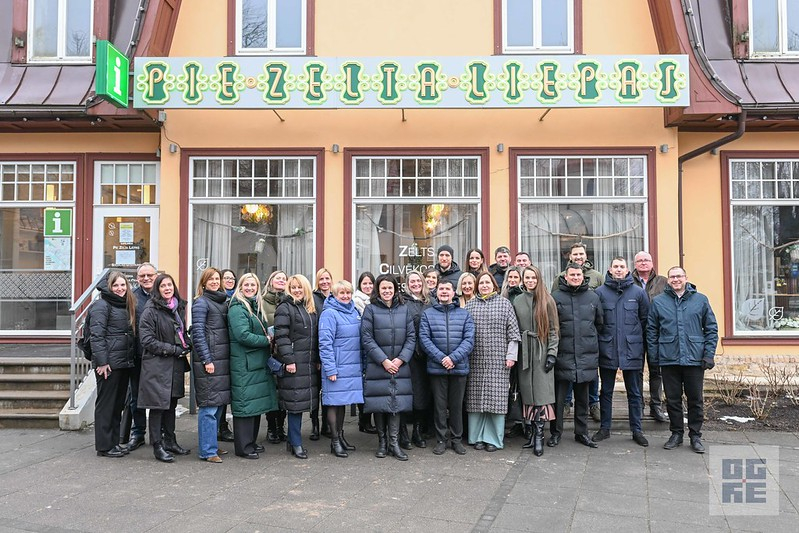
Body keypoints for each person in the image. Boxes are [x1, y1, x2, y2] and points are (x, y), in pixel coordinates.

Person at [647, 266, 718, 453]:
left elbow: (711, 329)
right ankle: (676, 433)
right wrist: (654, 357)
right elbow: (651, 331)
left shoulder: (700, 300)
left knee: (695, 399)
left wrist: (709, 354)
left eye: (679, 276)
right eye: (672, 277)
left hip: (694, 359)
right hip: (669, 358)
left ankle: (695, 436)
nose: (676, 279)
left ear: (686, 278)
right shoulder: (659, 302)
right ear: (668, 280)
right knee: (672, 399)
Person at [593, 258, 650, 447]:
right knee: (606, 391)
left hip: (632, 349)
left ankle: (637, 429)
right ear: (610, 269)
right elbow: (596, 322)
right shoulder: (600, 293)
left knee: (634, 392)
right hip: (607, 348)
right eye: (615, 267)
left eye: (622, 267)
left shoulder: (639, 293)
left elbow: (645, 322)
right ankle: (605, 428)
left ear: (627, 270)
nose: (618, 270)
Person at [137, 273, 192, 463]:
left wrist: (187, 343)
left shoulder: (177, 307)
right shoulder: (150, 310)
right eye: (163, 286)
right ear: (157, 290)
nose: (167, 288)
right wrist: (174, 349)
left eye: (169, 285)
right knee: (157, 407)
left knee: (171, 405)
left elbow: (180, 333)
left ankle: (170, 440)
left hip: (174, 364)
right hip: (157, 365)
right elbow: (147, 340)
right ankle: (157, 445)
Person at [361, 274, 416, 460]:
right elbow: (367, 338)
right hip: (379, 365)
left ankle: (394, 443)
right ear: (378, 289)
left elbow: (411, 337)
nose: (387, 291)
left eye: (390, 288)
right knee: (379, 403)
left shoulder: (404, 309)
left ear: (395, 289)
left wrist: (400, 359)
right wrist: (383, 360)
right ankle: (382, 443)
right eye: (383, 288)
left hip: (399, 365)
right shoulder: (370, 310)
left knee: (396, 404)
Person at [464, 272, 521, 451]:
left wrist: (511, 356)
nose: (484, 285)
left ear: (494, 285)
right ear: (477, 286)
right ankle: (477, 437)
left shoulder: (505, 304)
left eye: (487, 282)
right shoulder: (470, 306)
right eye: (481, 283)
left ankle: (494, 439)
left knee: (496, 400)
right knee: (476, 401)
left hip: (499, 361)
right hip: (476, 360)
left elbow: (513, 332)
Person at [549, 264, 603, 449]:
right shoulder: (555, 297)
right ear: (565, 276)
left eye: (578, 274)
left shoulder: (593, 297)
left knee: (583, 399)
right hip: (562, 355)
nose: (575, 277)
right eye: (572, 274)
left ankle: (582, 433)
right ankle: (556, 433)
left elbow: (599, 324)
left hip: (586, 355)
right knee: (559, 399)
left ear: (583, 276)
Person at [419, 278, 475, 455]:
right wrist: (442, 358)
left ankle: (457, 439)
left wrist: (453, 358)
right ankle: (441, 439)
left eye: (447, 289)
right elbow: (424, 339)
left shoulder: (464, 314)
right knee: (439, 406)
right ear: (436, 292)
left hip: (459, 367)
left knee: (457, 405)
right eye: (441, 289)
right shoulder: (428, 315)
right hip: (437, 367)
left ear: (453, 293)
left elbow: (469, 340)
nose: (444, 291)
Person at [227, 273, 279, 459]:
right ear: (240, 287)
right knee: (244, 408)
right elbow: (242, 335)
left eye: (253, 285)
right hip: (244, 364)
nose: (250, 288)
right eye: (246, 285)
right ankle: (243, 447)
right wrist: (266, 340)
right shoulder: (237, 307)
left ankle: (251, 442)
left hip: (255, 364)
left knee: (255, 406)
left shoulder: (254, 306)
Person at [512, 266, 558, 457]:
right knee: (527, 394)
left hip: (540, 349)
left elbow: (554, 330)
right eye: (527, 277)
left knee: (540, 393)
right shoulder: (518, 300)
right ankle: (530, 431)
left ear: (538, 279)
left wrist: (552, 354)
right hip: (525, 351)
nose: (530, 281)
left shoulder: (547, 299)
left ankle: (539, 434)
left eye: (533, 277)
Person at [273, 274, 320, 460]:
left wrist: (316, 359)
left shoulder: (310, 308)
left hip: (308, 363)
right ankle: (296, 442)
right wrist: (289, 360)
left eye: (300, 287)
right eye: (293, 287)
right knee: (295, 405)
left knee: (300, 403)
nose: (297, 290)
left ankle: (293, 441)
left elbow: (314, 338)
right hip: (294, 364)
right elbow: (281, 336)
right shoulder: (285, 307)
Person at [90, 271, 136, 458]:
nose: (120, 289)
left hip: (122, 363)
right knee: (106, 405)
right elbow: (96, 335)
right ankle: (104, 446)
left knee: (117, 405)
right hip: (108, 365)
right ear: (109, 287)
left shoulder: (125, 304)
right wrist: (102, 362)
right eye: (116, 285)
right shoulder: (101, 305)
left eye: (123, 285)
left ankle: (114, 443)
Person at [318, 280, 364, 458]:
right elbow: (325, 343)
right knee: (333, 403)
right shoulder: (329, 313)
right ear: (334, 295)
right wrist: (330, 369)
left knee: (343, 402)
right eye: (341, 293)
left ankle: (341, 436)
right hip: (336, 366)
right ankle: (334, 440)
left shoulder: (354, 311)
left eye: (348, 293)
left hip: (351, 365)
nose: (345, 296)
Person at [191, 267, 232, 463]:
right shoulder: (201, 303)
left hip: (221, 361)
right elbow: (197, 334)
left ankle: (212, 445)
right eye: (211, 279)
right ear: (204, 282)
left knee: (218, 407)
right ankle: (207, 451)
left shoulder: (222, 301)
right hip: (210, 362)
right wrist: (207, 359)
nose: (215, 282)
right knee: (208, 407)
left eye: (218, 278)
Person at [120, 262, 157, 451]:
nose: (146, 278)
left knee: (160, 396)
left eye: (149, 275)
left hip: (159, 356)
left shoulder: (165, 293)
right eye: (142, 276)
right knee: (136, 396)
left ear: (156, 275)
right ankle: (138, 433)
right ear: (137, 278)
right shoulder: (131, 297)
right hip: (137, 354)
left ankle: (160, 435)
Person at [632, 251, 669, 422]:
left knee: (656, 371)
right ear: (635, 264)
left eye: (646, 260)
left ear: (652, 263)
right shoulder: (628, 281)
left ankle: (656, 406)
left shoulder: (663, 282)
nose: (643, 263)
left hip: (657, 333)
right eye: (640, 260)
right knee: (636, 371)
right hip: (635, 333)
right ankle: (638, 405)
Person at [403, 271, 432, 447]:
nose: (415, 284)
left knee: (423, 394)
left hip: (427, 355)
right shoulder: (403, 302)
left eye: (418, 281)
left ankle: (418, 431)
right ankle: (404, 433)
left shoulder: (430, 302)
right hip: (408, 355)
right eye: (411, 281)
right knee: (408, 393)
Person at [262, 270, 288, 445]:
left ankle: (281, 427)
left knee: (284, 392)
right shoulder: (261, 301)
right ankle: (271, 428)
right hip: (269, 351)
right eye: (277, 278)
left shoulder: (288, 300)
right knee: (271, 392)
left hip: (284, 351)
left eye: (284, 279)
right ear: (270, 281)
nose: (281, 281)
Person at [354, 272, 378, 435]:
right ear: (360, 285)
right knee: (364, 384)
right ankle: (364, 421)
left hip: (372, 346)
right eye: (365, 283)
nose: (368, 286)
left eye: (370, 283)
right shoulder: (356, 301)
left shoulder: (375, 301)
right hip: (360, 346)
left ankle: (366, 420)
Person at [216, 269, 238, 442]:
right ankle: (220, 426)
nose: (229, 281)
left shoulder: (236, 299)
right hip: (220, 350)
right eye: (226, 278)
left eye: (232, 278)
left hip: (233, 350)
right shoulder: (218, 299)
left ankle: (223, 426)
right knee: (219, 392)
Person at [312, 267, 333, 439]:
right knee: (316, 389)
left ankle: (327, 424)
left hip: (332, 353)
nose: (325, 282)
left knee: (328, 391)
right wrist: (317, 356)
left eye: (327, 278)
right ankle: (314, 424)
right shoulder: (312, 298)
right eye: (321, 279)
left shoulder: (335, 298)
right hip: (316, 351)